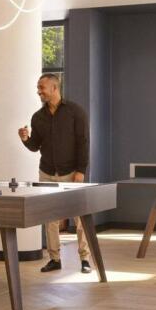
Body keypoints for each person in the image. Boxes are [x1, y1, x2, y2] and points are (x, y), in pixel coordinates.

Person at [18, 73, 93, 274]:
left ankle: (85, 259)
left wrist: (81, 171)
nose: (39, 91)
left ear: (54, 88)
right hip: (47, 173)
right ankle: (54, 259)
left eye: (41, 87)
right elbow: (35, 146)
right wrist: (25, 139)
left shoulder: (76, 112)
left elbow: (83, 143)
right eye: (38, 88)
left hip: (71, 172)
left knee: (79, 217)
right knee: (50, 218)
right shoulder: (38, 117)